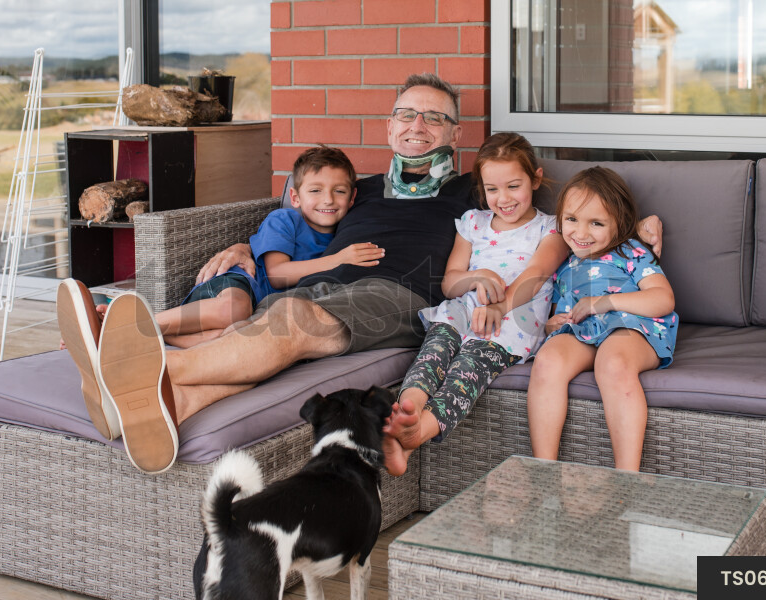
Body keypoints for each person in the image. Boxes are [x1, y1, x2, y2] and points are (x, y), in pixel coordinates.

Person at [58, 73, 666, 475]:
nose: (417, 126)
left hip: (396, 297)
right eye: (407, 115)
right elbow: (300, 218)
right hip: (324, 291)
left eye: (434, 118)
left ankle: (139, 369)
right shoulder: (360, 189)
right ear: (389, 126)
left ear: (456, 134)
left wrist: (634, 225)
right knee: (246, 334)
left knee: (291, 321)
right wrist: (245, 245)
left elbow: (569, 214)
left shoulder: (476, 192)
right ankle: (168, 401)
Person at [381, 133, 568, 475]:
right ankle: (408, 412)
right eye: (492, 189)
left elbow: (536, 275)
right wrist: (477, 276)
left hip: (511, 321)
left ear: (535, 179)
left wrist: (499, 307)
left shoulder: (550, 228)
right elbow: (450, 282)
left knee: (467, 369)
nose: (503, 199)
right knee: (433, 352)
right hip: (463, 310)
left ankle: (418, 433)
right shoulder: (473, 222)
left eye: (513, 186)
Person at [153, 146, 384, 348]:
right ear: (295, 197)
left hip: (259, 307)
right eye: (315, 190)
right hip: (240, 282)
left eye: (339, 191)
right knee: (234, 310)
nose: (328, 199)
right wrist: (338, 259)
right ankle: (146, 324)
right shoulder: (285, 219)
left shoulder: (345, 234)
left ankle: (164, 339)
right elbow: (276, 274)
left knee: (235, 335)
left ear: (352, 197)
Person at [526, 166, 678, 472]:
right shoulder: (565, 263)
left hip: (633, 327)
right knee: (548, 360)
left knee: (613, 363)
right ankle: (544, 473)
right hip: (583, 331)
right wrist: (553, 323)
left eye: (596, 223)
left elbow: (663, 299)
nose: (581, 234)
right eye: (571, 220)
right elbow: (558, 312)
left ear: (618, 223)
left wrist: (603, 303)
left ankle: (627, 477)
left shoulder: (631, 250)